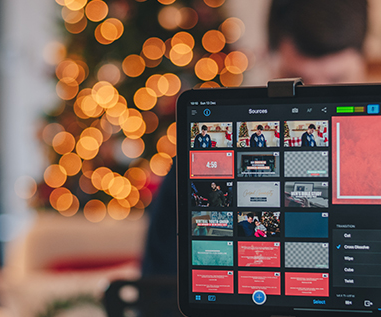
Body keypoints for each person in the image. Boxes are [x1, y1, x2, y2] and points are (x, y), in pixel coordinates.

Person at [142, 0, 368, 276]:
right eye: (297, 82)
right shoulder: (204, 164)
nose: (315, 114)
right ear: (268, 60)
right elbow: (160, 287)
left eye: (337, 81)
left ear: (365, 63)